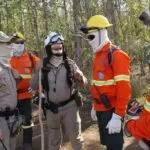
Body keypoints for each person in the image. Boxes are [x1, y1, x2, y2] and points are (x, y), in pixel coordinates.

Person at [80, 15, 131, 150]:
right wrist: (94, 105)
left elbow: (124, 90)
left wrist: (118, 115)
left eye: (91, 37)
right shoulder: (98, 56)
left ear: (102, 33)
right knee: (108, 145)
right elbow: (98, 85)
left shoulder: (117, 55)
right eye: (88, 38)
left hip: (112, 111)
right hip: (101, 110)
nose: (89, 41)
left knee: (114, 146)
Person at [30, 31, 87, 150]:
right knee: (53, 140)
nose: (58, 47)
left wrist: (81, 77)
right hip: (51, 109)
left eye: (60, 45)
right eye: (55, 45)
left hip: (70, 107)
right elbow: (33, 86)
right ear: (48, 48)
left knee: (76, 138)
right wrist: (36, 71)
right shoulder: (42, 66)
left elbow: (84, 84)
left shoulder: (70, 64)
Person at [9, 32, 40, 150]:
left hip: (26, 96)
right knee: (11, 121)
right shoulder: (6, 58)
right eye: (14, 43)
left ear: (23, 43)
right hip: (11, 97)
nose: (17, 45)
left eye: (19, 42)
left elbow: (41, 70)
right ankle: (11, 144)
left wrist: (38, 87)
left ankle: (27, 144)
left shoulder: (31, 57)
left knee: (27, 120)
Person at [0, 31, 22, 150]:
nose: (11, 47)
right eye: (7, 43)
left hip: (12, 118)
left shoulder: (7, 68)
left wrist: (18, 78)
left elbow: (10, 90)